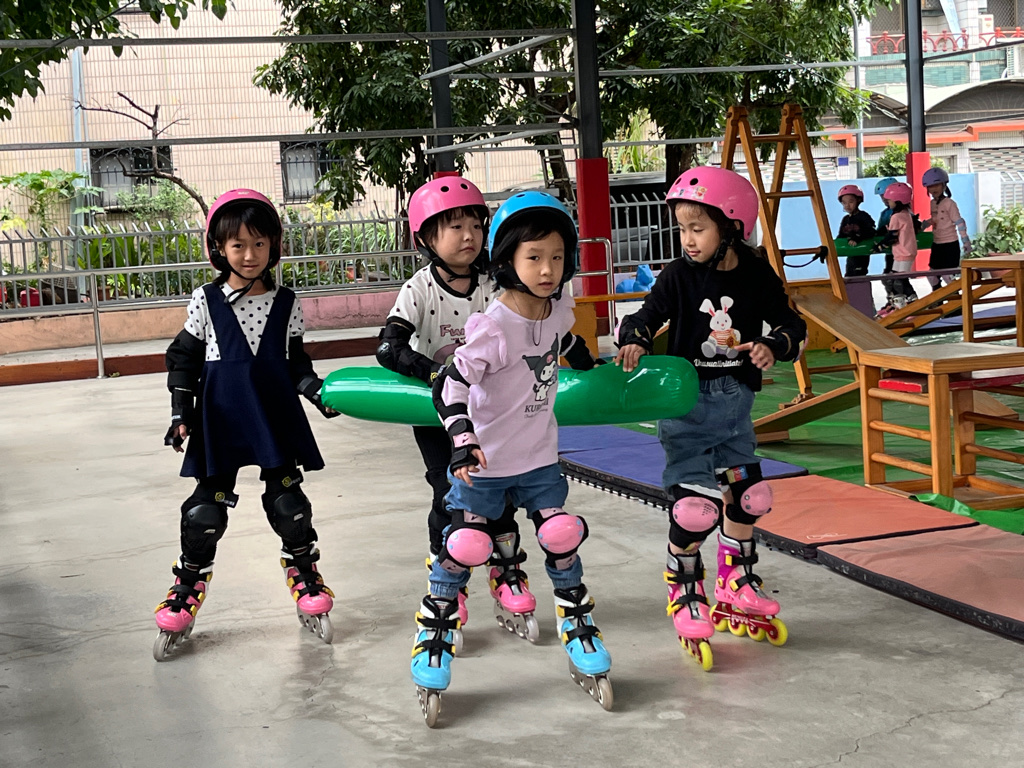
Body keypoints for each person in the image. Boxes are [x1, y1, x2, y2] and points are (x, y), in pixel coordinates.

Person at [410, 191, 611, 726]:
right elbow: (450, 386)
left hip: (538, 459)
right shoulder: (492, 327)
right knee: (466, 545)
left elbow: (560, 339)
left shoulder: (558, 307)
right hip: (486, 463)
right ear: (507, 261)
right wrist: (461, 439)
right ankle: (434, 630)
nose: (547, 270)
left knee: (561, 537)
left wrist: (588, 362)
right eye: (534, 257)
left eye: (557, 257)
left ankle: (577, 624)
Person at [614, 167, 806, 672]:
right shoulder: (679, 276)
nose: (688, 239)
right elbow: (645, 315)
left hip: (736, 407)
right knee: (696, 509)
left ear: (732, 227)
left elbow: (791, 322)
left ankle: (734, 580)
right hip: (687, 409)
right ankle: (683, 585)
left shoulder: (755, 273)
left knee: (749, 496)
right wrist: (634, 338)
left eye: (698, 228)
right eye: (682, 228)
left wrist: (773, 344)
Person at [153, 189, 339, 660]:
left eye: (259, 243)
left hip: (273, 414)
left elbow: (295, 362)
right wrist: (179, 413)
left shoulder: (288, 301)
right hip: (221, 416)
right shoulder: (206, 300)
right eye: (238, 245)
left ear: (274, 246)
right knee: (205, 513)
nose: (250, 254)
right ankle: (186, 584)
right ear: (219, 248)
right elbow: (183, 358)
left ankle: (305, 573)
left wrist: (317, 392)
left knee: (289, 505)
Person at [376, 177, 520, 639]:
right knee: (448, 493)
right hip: (436, 413)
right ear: (426, 238)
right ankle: (447, 579)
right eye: (454, 227)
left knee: (501, 492)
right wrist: (435, 373)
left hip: (491, 410)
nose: (468, 236)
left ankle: (505, 567)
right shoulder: (419, 289)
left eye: (475, 225)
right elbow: (389, 347)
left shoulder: (494, 283)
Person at [920, 167, 971, 290]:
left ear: (944, 185)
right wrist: (923, 225)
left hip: (950, 244)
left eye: (937, 185)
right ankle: (938, 297)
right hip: (937, 244)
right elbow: (935, 219)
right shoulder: (932, 203)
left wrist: (966, 241)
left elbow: (959, 222)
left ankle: (956, 299)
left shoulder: (949, 203)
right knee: (932, 275)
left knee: (948, 276)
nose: (934, 189)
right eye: (930, 186)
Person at [874, 181, 919, 318]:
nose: (887, 202)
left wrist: (879, 246)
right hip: (903, 252)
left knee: (900, 280)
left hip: (903, 253)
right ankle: (898, 305)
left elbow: (892, 236)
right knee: (895, 279)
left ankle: (912, 305)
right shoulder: (906, 213)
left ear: (898, 200)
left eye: (889, 200)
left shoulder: (896, 216)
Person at [836, 184, 876, 277]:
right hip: (851, 253)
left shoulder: (864, 216)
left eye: (851, 202)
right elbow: (841, 235)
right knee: (849, 274)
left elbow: (870, 231)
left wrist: (857, 238)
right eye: (844, 203)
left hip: (861, 252)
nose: (847, 205)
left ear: (858, 200)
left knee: (859, 274)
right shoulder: (845, 219)